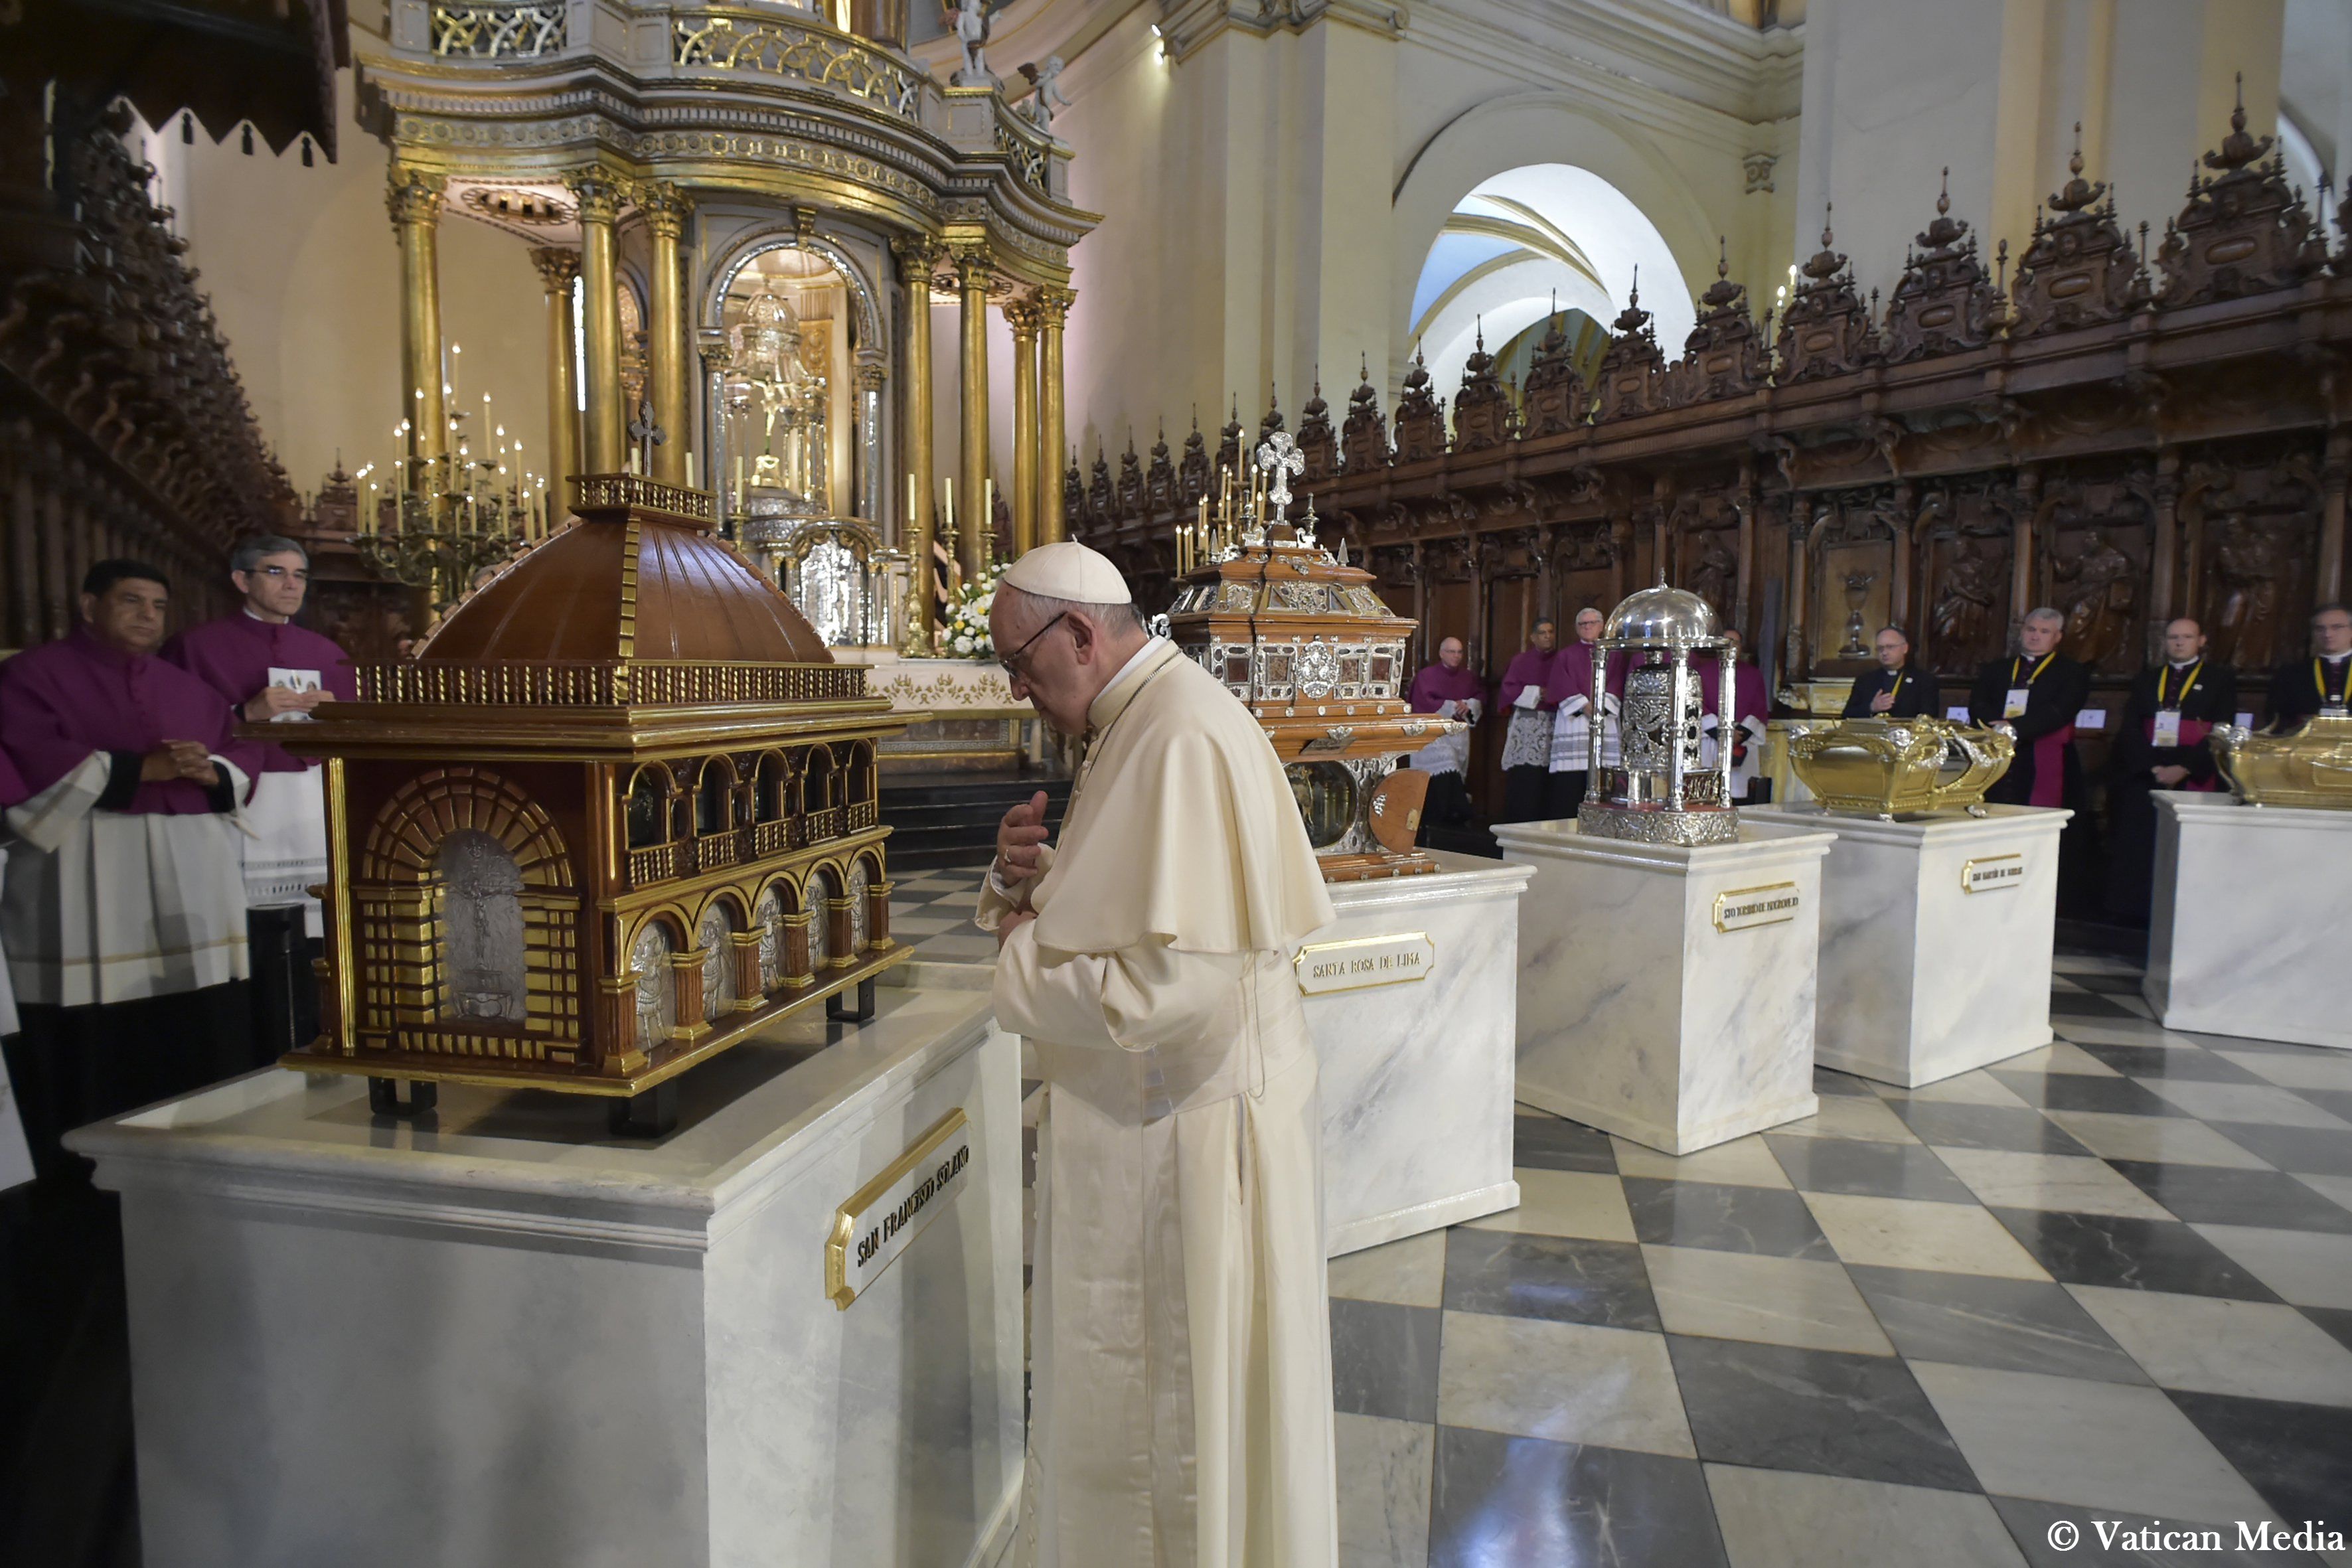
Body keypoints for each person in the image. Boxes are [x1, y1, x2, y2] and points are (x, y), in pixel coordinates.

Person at [975, 541, 1338, 1566]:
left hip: (1185, 1146)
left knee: (1166, 1443)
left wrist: (1017, 956)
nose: (1017, 690)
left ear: (1078, 634)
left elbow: (1169, 986)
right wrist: (1032, 881)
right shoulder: (1139, 717)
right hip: (1156, 1127)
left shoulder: (1178, 732)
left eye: (1018, 665)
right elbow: (1136, 907)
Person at [0, 560, 258, 1185]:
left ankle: (195, 1142)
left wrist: (210, 770)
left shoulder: (188, 687)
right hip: (84, 857)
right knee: (95, 1023)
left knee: (189, 1013)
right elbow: (25, 753)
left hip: (189, 859)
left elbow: (238, 750)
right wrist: (139, 769)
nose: (148, 615)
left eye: (159, 605)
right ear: (89, 606)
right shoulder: (31, 676)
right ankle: (80, 1168)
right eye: (131, 601)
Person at [164, 536, 355, 1062]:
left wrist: (338, 715)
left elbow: (360, 730)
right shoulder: (197, 647)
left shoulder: (327, 653)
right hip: (243, 801)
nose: (291, 585)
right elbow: (170, 728)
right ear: (241, 580)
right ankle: (251, 1047)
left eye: (300, 575)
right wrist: (245, 713)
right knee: (251, 935)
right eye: (276, 572)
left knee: (316, 930)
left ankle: (321, 1035)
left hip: (312, 801)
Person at [2104, 619, 2236, 925]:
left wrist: (2185, 767)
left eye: (2187, 637)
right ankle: (2135, 912)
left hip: (2193, 770)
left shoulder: (2220, 679)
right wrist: (2152, 767)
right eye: (2173, 637)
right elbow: (2131, 729)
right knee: (2139, 844)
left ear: (2201, 641)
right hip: (2149, 770)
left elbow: (2222, 729)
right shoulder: (2148, 679)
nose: (2179, 642)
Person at [1970, 606, 2098, 910]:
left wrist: (2014, 728)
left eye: (2044, 632)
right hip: (1998, 759)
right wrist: (1996, 727)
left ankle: (2044, 899)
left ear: (2058, 637)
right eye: (2031, 629)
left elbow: (2060, 710)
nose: (2035, 636)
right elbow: (1978, 704)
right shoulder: (1997, 669)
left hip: (2045, 759)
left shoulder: (2072, 672)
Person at [1405, 636, 1482, 828]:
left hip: (1459, 732)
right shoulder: (1426, 676)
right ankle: (1447, 814)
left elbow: (1479, 696)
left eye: (1460, 652)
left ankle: (1451, 819)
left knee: (1455, 770)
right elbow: (1423, 702)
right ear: (1441, 653)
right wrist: (1453, 707)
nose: (1456, 656)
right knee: (1447, 762)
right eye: (1451, 652)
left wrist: (1468, 705)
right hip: (1433, 733)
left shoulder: (1468, 677)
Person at [1496, 619, 1559, 821]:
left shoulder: (1562, 659)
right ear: (1533, 637)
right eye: (1542, 633)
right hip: (1527, 726)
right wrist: (1539, 692)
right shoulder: (1520, 661)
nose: (1547, 636)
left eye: (1550, 632)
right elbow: (1509, 690)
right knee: (1526, 778)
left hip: (1555, 724)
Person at [1699, 630, 1771, 801]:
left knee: (1740, 793)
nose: (1731, 646)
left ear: (1741, 647)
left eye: (1736, 643)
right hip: (1711, 739)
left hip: (1742, 740)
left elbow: (1759, 707)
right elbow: (1696, 704)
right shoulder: (1701, 673)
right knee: (1710, 793)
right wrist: (1721, 732)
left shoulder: (1753, 674)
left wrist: (1740, 734)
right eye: (1726, 642)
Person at [2266, 601, 2352, 726]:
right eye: (2320, 629)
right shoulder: (2290, 674)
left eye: (2336, 627)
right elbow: (2276, 718)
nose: (2327, 634)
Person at [1842, 626, 1941, 719]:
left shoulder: (1924, 680)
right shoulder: (1865, 680)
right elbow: (1847, 716)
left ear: (1905, 648)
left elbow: (1928, 717)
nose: (1884, 653)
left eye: (1890, 647)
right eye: (1880, 648)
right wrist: (1872, 708)